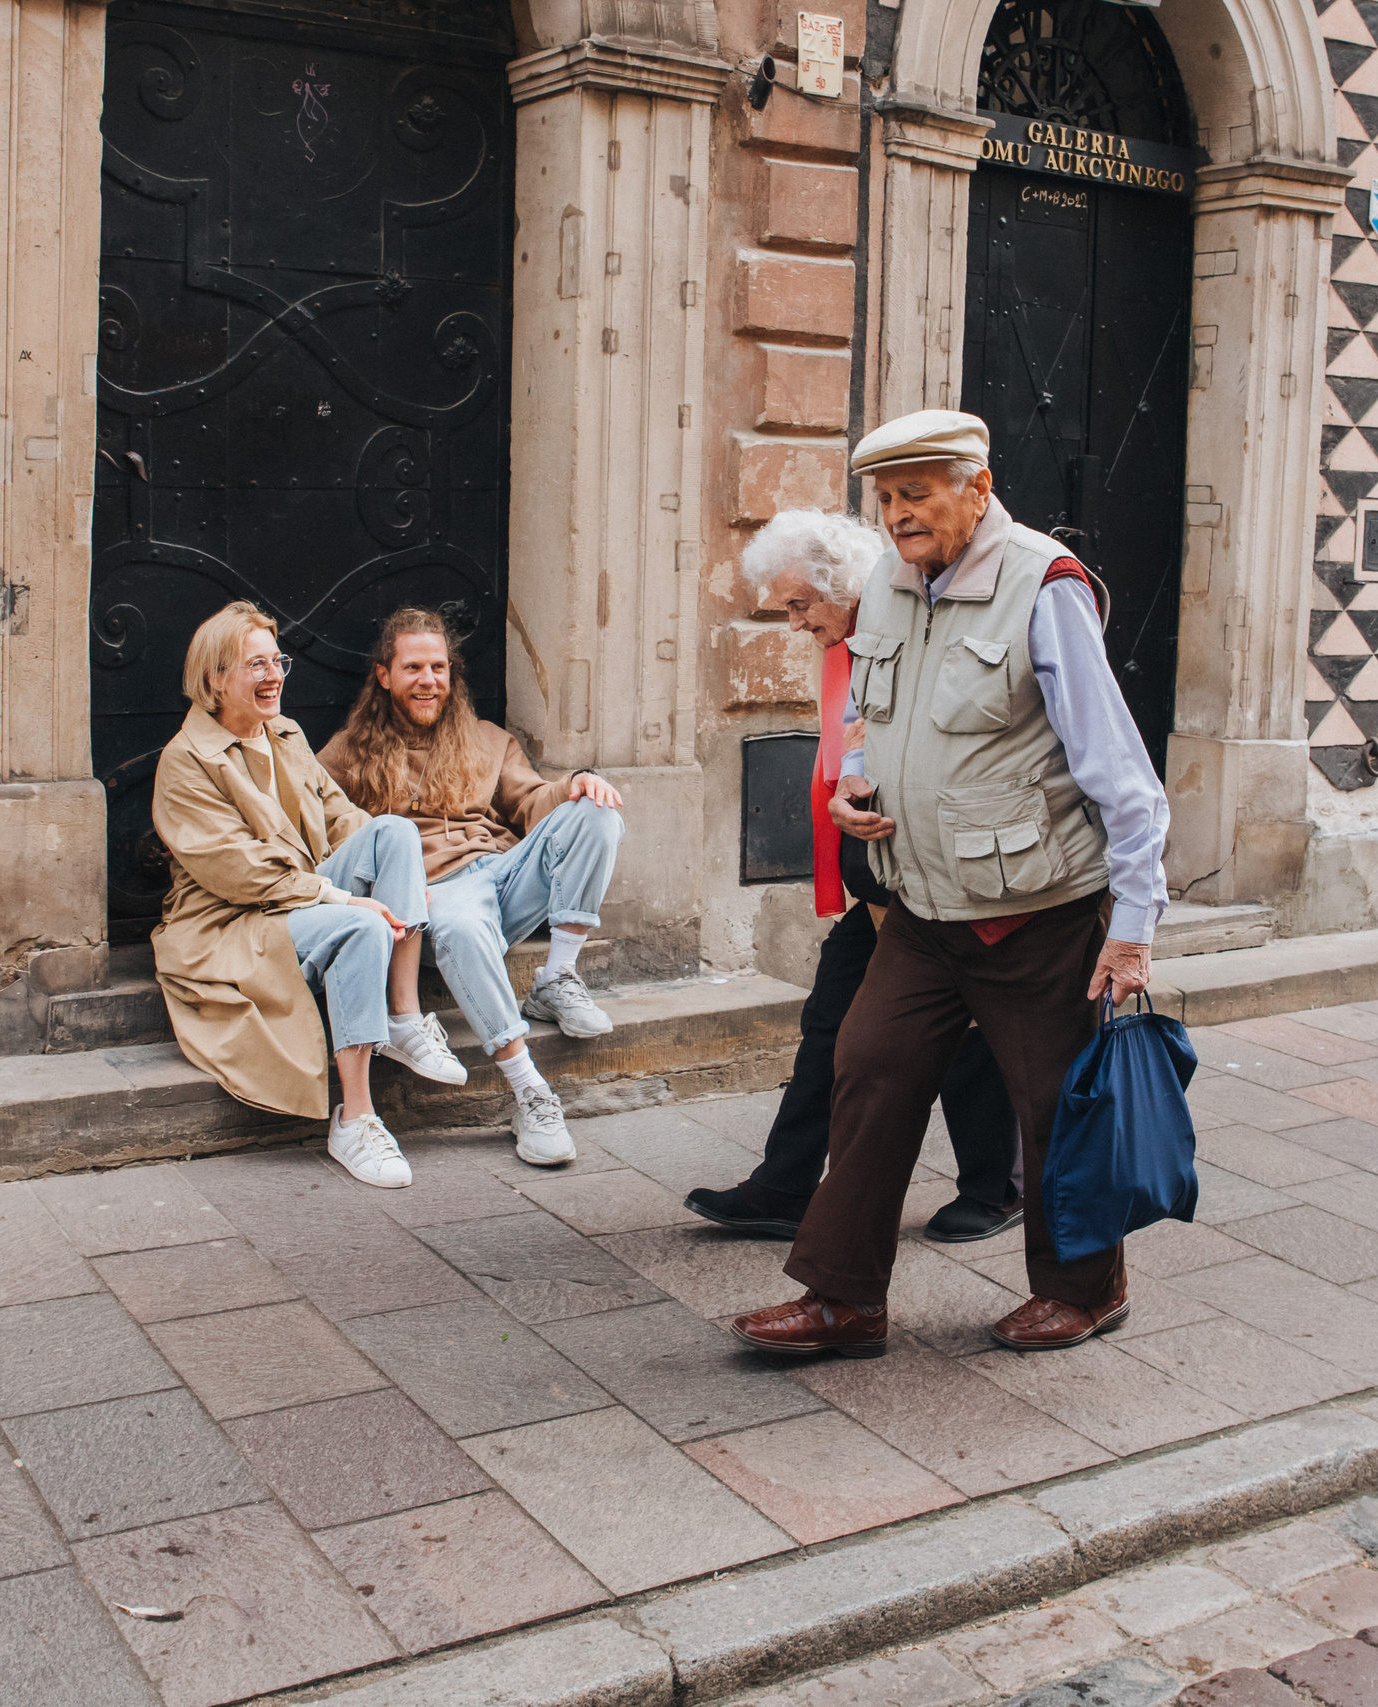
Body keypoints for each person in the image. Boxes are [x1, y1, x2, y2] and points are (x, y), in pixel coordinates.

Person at [730, 409, 1170, 1359]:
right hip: (922, 908)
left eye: (916, 494)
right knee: (869, 1069)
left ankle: (1086, 1289)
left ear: (978, 487)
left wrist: (1132, 927)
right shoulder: (888, 586)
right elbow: (874, 723)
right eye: (886, 498)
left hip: (1038, 915)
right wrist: (851, 785)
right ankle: (843, 1300)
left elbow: (1122, 776)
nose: (896, 516)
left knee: (1053, 1105)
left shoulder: (1042, 586)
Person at [684, 509, 1026, 1244]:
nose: (795, 622)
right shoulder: (848, 642)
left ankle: (999, 1186)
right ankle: (784, 1185)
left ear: (844, 585)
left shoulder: (902, 631)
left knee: (962, 1029)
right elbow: (859, 749)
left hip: (933, 870)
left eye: (801, 603)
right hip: (879, 871)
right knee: (831, 1024)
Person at [149, 601, 439, 1191]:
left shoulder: (285, 733)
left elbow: (339, 816)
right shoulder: (184, 761)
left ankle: (403, 1017)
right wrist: (342, 899)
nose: (274, 675)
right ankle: (355, 1120)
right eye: (255, 665)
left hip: (304, 893)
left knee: (395, 831)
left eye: (277, 661)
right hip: (233, 920)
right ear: (214, 679)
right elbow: (238, 872)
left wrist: (387, 867)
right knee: (357, 927)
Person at [319, 608, 625, 1167]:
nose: (428, 680)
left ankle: (557, 975)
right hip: (437, 897)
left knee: (596, 813)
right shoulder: (346, 754)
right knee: (459, 920)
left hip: (502, 877)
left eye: (438, 667)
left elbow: (532, 804)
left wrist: (573, 785)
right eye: (413, 667)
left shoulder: (488, 740)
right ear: (384, 675)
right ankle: (528, 1088)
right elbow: (316, 826)